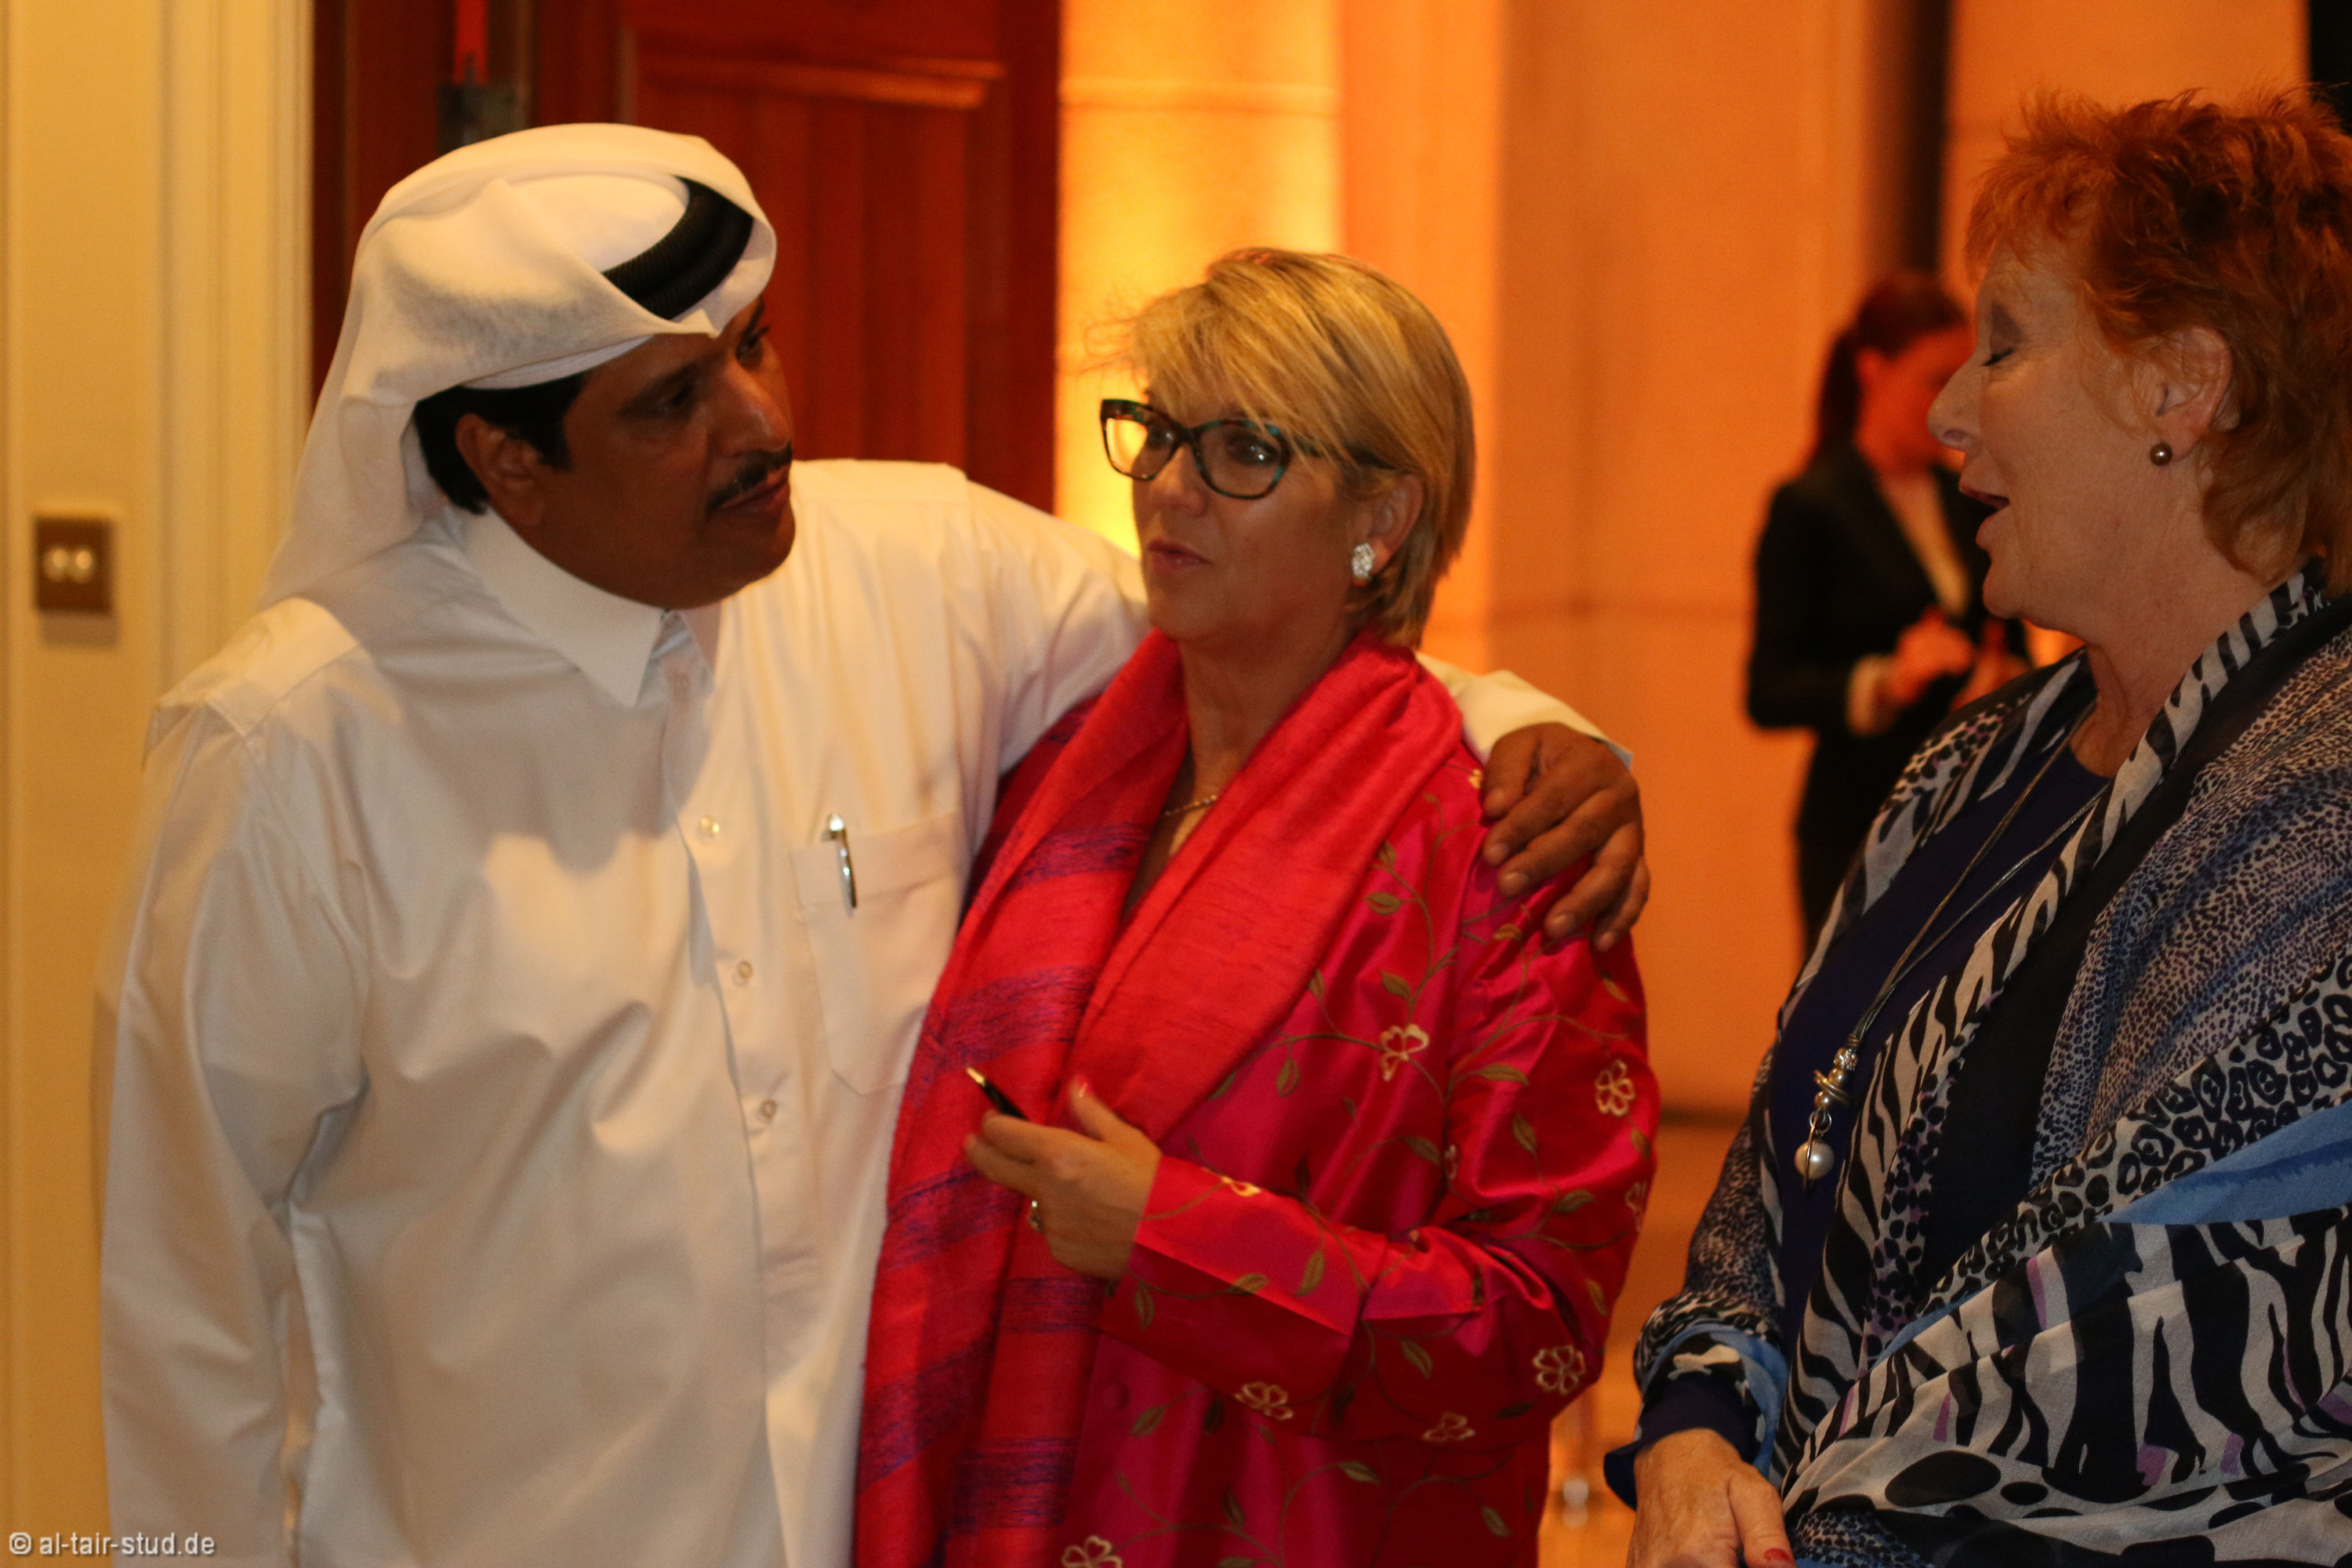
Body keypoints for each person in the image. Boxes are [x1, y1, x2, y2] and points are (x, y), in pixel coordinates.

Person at [96, 128, 1648, 1568]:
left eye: (753, 346)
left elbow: (1271, 650)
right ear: (510, 460)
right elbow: (181, 1296)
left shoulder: (919, 571)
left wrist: (1535, 726)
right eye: (670, 402)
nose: (761, 423)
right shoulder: (294, 754)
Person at [1617, 92, 2352, 1566]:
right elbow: (1780, 1163)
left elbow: (2101, 1348)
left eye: (2006, 344)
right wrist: (1697, 1428)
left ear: (2183, 387)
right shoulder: (1974, 764)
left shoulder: (2318, 809)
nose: (1951, 410)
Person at [855, 250, 1659, 1568]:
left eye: (1244, 450)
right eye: (1161, 431)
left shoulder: (1503, 849)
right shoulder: (1062, 782)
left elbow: (1538, 1321)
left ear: (1381, 516)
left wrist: (1175, 1242)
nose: (1170, 487)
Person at [1748, 273, 2025, 942]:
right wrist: (1885, 682)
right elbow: (1767, 690)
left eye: (1965, 381)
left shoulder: (1966, 494)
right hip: (1859, 823)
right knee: (1851, 1008)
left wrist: (2004, 679)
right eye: (1935, 381)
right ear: (1873, 372)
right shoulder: (1811, 505)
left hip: (1965, 813)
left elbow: (2006, 637)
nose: (1952, 403)